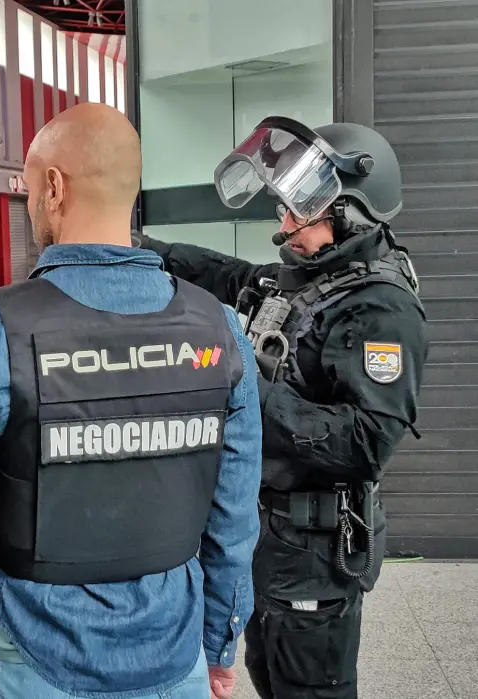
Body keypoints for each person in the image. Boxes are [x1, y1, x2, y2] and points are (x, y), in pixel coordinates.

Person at [0, 102, 264, 699]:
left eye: (27, 186)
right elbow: (233, 521)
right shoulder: (220, 329)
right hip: (173, 656)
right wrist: (220, 646)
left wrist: (18, 454)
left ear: (53, 186)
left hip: (35, 656)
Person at [140, 117, 428, 698]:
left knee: (308, 688)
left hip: (315, 555)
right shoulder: (313, 280)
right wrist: (149, 253)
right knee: (269, 676)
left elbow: (365, 443)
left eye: (302, 215)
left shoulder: (380, 311)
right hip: (270, 541)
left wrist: (240, 384)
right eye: (285, 210)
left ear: (351, 216)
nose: (284, 228)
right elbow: (235, 276)